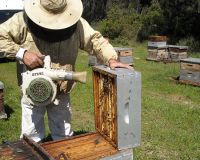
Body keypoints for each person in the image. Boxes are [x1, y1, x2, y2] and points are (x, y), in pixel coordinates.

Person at [0, 0, 132, 142]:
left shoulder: (78, 24)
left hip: (61, 89)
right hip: (33, 90)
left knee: (63, 136)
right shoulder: (22, 20)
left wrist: (111, 59)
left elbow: (95, 40)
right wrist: (22, 53)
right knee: (31, 137)